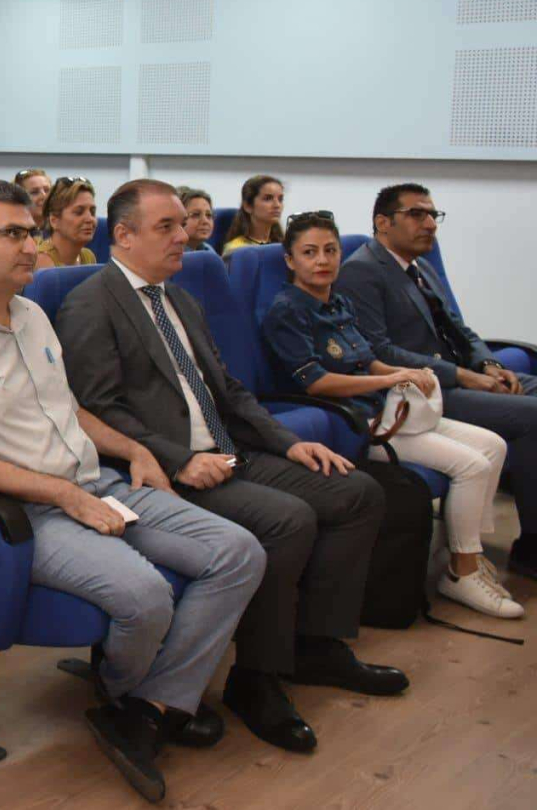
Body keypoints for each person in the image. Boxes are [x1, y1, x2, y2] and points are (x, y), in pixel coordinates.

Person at [0, 182, 265, 803]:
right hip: (30, 512)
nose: (30, 246)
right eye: (13, 234)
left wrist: (136, 449)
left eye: (30, 232)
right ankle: (130, 695)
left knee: (240, 553)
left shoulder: (32, 314)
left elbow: (69, 409)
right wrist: (68, 498)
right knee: (145, 596)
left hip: (98, 481)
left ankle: (147, 706)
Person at [56, 179, 405, 756]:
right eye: (166, 227)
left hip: (228, 451)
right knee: (288, 520)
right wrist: (180, 459)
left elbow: (230, 390)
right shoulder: (92, 303)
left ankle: (315, 646)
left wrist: (288, 443)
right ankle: (255, 678)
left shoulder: (179, 297)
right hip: (171, 471)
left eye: (181, 224)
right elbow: (98, 409)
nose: (183, 237)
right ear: (123, 235)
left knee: (356, 493)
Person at [265, 211, 519, 618]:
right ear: (290, 260)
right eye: (309, 252)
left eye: (330, 250)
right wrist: (388, 379)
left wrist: (405, 374)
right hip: (355, 423)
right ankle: (463, 574)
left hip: (389, 410)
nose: (322, 260)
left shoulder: (338, 301)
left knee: (493, 445)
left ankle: (462, 555)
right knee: (472, 465)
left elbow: (368, 360)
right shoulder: (287, 310)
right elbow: (316, 382)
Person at [338, 182, 537, 581]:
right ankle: (532, 546)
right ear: (383, 222)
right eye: (417, 214)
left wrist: (488, 364)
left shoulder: (420, 265)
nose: (429, 224)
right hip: (425, 391)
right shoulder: (361, 271)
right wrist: (463, 375)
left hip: (460, 375)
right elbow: (380, 351)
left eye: (432, 215)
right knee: (532, 416)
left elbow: (460, 328)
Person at [35, 177, 98, 269]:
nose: (90, 219)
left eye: (92, 212)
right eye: (79, 212)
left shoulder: (88, 256)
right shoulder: (42, 260)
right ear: (54, 221)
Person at [221, 175, 285, 256]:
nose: (277, 205)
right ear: (248, 206)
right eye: (268, 198)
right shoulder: (235, 250)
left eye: (280, 199)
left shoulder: (286, 246)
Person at [178, 188, 215, 252]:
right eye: (196, 214)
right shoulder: (170, 254)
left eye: (209, 215)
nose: (205, 221)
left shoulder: (208, 249)